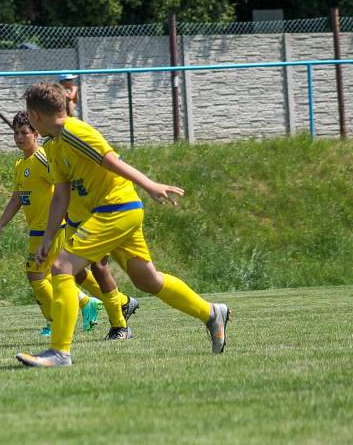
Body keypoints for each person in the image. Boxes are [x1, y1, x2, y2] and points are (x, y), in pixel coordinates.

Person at [16, 82, 231, 368]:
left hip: (116, 208)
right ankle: (211, 313)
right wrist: (49, 238)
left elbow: (111, 161)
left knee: (62, 268)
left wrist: (149, 184)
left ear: (35, 115)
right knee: (147, 280)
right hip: (112, 213)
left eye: (28, 117)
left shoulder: (74, 131)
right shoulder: (53, 145)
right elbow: (62, 195)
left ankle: (59, 351)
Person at [0, 112, 113, 337]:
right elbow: (17, 197)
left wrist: (77, 216)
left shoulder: (41, 159)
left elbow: (62, 187)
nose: (19, 137)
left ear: (36, 134)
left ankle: (58, 320)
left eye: (24, 133)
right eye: (16, 133)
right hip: (37, 231)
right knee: (60, 275)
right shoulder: (21, 164)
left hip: (52, 229)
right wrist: (1, 223)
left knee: (36, 275)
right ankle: (90, 303)